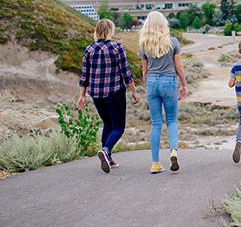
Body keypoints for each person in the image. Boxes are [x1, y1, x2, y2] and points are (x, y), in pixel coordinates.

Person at [77, 19, 139, 173]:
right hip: (115, 92)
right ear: (111, 30)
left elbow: (84, 76)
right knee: (118, 127)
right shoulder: (117, 48)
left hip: (96, 94)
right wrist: (134, 91)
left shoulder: (89, 50)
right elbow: (126, 72)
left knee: (107, 124)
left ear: (97, 31)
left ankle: (108, 159)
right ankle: (105, 150)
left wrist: (82, 96)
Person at [138, 11, 188, 174]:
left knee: (156, 123)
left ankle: (155, 163)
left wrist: (148, 86)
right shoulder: (173, 42)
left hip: (152, 82)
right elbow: (179, 67)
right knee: (172, 120)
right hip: (169, 82)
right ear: (163, 24)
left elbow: (144, 70)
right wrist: (184, 84)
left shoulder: (144, 44)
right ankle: (173, 151)